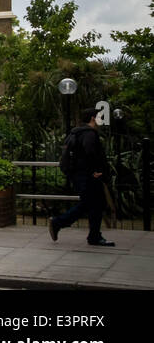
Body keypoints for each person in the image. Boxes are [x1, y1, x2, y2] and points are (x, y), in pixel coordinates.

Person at [50, 104, 115, 247]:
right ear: (92, 118)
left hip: (80, 175)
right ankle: (59, 223)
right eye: (99, 117)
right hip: (88, 176)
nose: (100, 120)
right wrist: (95, 170)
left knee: (93, 204)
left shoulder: (77, 132)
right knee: (93, 204)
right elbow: (90, 152)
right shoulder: (89, 134)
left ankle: (93, 235)